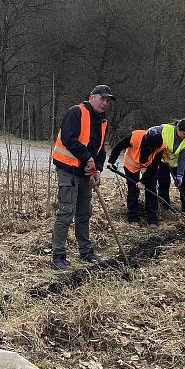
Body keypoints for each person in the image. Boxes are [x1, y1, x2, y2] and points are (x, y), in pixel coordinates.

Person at [50, 85, 114, 270]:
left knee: (84, 213)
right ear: (91, 97)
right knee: (65, 213)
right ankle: (58, 256)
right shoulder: (76, 112)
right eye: (102, 98)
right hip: (68, 170)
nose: (105, 103)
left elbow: (101, 149)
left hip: (86, 173)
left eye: (107, 100)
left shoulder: (103, 122)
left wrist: (98, 169)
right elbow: (69, 139)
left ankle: (86, 252)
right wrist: (87, 158)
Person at [107, 126, 166, 226]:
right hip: (132, 165)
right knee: (133, 190)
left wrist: (143, 181)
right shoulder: (134, 137)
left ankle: (152, 219)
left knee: (151, 190)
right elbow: (118, 147)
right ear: (147, 144)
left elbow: (154, 167)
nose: (154, 150)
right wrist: (111, 162)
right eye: (153, 148)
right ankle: (133, 218)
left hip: (148, 167)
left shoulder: (161, 147)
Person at [155, 119, 185, 213]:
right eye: (184, 134)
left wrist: (180, 175)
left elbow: (183, 159)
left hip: (177, 163)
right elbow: (153, 130)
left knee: (184, 185)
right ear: (178, 129)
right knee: (164, 183)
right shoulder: (166, 129)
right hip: (163, 161)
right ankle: (165, 207)